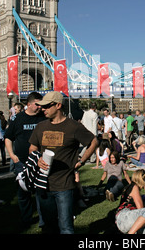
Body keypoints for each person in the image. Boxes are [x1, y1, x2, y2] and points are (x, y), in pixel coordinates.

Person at [28, 91, 99, 234]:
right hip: (43, 185)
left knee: (66, 227)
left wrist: (82, 160)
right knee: (48, 226)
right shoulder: (41, 126)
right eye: (42, 106)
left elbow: (94, 141)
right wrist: (38, 158)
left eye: (47, 106)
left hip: (64, 185)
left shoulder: (73, 126)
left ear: (58, 105)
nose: (43, 109)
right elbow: (32, 147)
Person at [4, 91, 45, 230]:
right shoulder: (17, 119)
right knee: (23, 193)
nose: (39, 107)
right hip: (21, 161)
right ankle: (26, 219)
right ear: (28, 104)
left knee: (41, 192)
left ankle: (43, 220)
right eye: (37, 104)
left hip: (40, 161)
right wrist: (12, 155)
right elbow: (8, 137)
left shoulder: (43, 118)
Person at [115, 169, 145, 234]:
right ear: (143, 180)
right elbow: (140, 208)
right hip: (124, 217)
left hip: (123, 221)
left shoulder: (129, 187)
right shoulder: (134, 187)